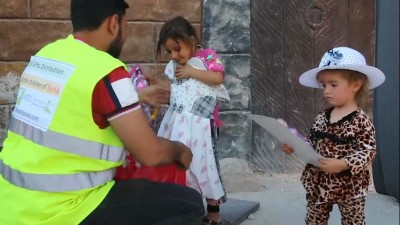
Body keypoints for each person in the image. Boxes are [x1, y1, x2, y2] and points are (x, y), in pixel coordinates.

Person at [0, 1, 204, 224]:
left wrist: (137, 96)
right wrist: (179, 150)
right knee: (190, 204)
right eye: (127, 26)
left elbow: (75, 103)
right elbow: (151, 153)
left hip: (12, 205)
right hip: (64, 210)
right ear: (114, 23)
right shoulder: (106, 71)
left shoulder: (46, 56)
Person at [281, 47, 385, 225]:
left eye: (333, 84)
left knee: (353, 220)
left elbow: (368, 152)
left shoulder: (361, 121)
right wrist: (295, 145)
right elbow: (312, 142)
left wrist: (343, 163)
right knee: (314, 219)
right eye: (324, 85)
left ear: (355, 84)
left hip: (350, 186)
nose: (326, 91)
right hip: (319, 182)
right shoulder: (322, 116)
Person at [156, 16, 230, 225]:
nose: (174, 55)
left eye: (177, 49)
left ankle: (214, 215)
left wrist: (191, 71)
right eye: (169, 51)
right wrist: (156, 85)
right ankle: (189, 207)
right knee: (183, 167)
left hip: (203, 127)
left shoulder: (207, 57)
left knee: (207, 167)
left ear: (191, 40)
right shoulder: (174, 65)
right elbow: (178, 91)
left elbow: (218, 78)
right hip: (179, 126)